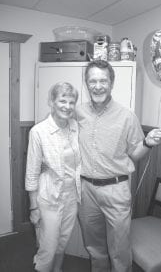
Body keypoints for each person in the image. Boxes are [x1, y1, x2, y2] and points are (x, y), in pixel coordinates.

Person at [76, 60, 161, 272]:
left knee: (120, 248)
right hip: (85, 190)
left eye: (103, 80)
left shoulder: (127, 116)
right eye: (93, 81)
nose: (98, 86)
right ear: (87, 84)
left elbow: (135, 154)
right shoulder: (77, 113)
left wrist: (147, 143)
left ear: (111, 83)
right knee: (94, 246)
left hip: (116, 190)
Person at [25, 82, 81, 272]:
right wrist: (33, 207)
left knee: (63, 242)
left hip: (71, 197)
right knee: (47, 249)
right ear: (52, 101)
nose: (67, 106)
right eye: (62, 100)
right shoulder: (38, 132)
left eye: (71, 102)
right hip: (49, 198)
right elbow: (32, 172)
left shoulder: (75, 127)